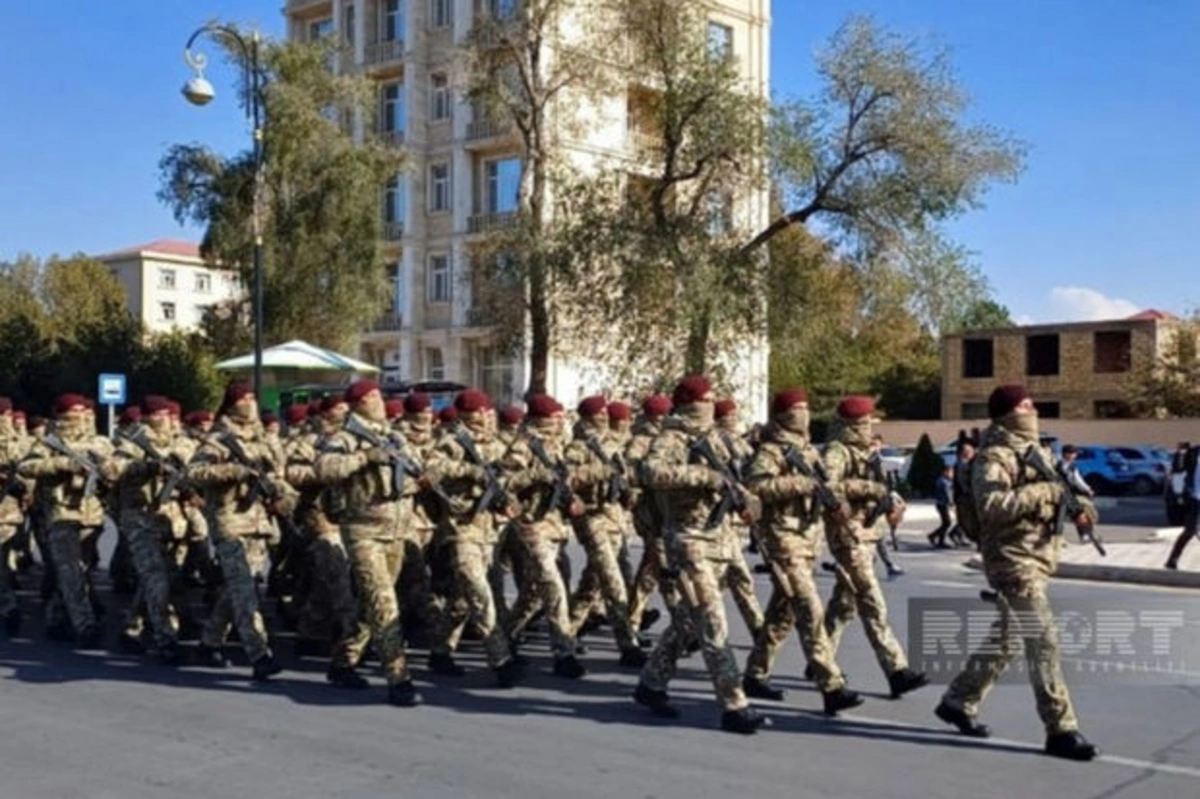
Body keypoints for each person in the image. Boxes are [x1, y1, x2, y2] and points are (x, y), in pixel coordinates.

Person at [935, 384, 1100, 761]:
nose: (1033, 408)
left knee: (1008, 637)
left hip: (1038, 556)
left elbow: (1069, 492)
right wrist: (1046, 493)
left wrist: (1083, 510)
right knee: (1043, 640)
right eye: (1025, 404)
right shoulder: (994, 456)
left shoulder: (1039, 452)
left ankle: (958, 700)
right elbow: (992, 505)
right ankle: (1061, 729)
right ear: (1008, 413)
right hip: (1010, 559)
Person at [632, 375, 766, 734]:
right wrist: (704, 477)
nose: (709, 405)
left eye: (712, 400)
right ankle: (734, 705)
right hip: (688, 540)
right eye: (703, 400)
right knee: (712, 623)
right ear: (689, 403)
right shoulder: (671, 437)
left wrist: (749, 501)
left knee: (688, 622)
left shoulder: (718, 438)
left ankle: (651, 683)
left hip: (720, 539)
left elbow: (745, 475)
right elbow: (651, 472)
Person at [740, 389, 863, 716]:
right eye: (798, 408)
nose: (805, 413)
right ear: (782, 414)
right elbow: (755, 487)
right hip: (783, 537)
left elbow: (826, 486)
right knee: (810, 609)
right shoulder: (771, 451)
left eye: (807, 407)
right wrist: (799, 484)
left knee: (784, 611)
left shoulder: (807, 450)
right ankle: (831, 685)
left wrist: (839, 505)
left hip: (808, 538)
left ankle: (755, 673)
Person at [315, 379, 423, 705]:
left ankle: (343, 661)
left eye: (379, 395)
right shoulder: (344, 438)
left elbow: (417, 467)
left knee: (371, 604)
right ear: (359, 403)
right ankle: (398, 677)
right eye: (372, 396)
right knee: (384, 602)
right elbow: (324, 469)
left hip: (397, 529)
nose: (379, 400)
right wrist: (365, 457)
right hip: (363, 531)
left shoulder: (394, 435)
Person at [821, 396, 927, 699]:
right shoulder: (837, 452)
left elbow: (882, 489)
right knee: (872, 603)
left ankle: (820, 657)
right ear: (855, 424)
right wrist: (868, 489)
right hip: (849, 535)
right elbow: (827, 487)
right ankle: (896, 670)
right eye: (866, 422)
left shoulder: (867, 454)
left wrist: (891, 502)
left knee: (844, 605)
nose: (871, 427)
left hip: (868, 534)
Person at [190, 382, 296, 681]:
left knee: (237, 587)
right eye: (243, 398)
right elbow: (193, 472)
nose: (249, 402)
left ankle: (209, 642)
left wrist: (284, 495)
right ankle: (259, 654)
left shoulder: (262, 437)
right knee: (244, 591)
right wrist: (232, 472)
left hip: (258, 520)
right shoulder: (219, 438)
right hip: (229, 521)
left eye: (252, 396)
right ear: (231, 403)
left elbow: (277, 474)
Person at [423, 389, 523, 687]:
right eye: (481, 411)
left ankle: (440, 650)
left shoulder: (494, 444)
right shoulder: (452, 442)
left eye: (488, 411)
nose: (487, 416)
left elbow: (506, 476)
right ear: (470, 413)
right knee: (479, 593)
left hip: (488, 529)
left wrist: (507, 492)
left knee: (463, 599)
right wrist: (470, 471)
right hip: (461, 529)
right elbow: (432, 469)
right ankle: (501, 660)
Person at [19, 393, 119, 647]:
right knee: (70, 571)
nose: (78, 417)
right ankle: (84, 626)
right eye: (72, 413)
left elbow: (116, 470)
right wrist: (64, 464)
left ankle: (56, 617)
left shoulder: (100, 443)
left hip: (92, 515)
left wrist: (107, 471)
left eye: (81, 412)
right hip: (61, 514)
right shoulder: (49, 443)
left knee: (82, 569)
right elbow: (26, 467)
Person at [563, 396, 646, 667]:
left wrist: (629, 489)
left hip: (612, 517)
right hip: (590, 517)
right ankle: (627, 643)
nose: (603, 417)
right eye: (598, 414)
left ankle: (567, 633)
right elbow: (569, 478)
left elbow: (623, 473)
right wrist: (603, 470)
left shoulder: (610, 442)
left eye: (604, 414)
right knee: (612, 580)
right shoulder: (578, 446)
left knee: (593, 582)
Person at [1165, 443, 1199, 570]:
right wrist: (1180, 453)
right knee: (1190, 530)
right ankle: (1172, 559)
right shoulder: (1193, 452)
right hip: (1195, 497)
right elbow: (1178, 468)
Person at [927, 462, 956, 549]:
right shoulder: (943, 482)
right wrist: (951, 503)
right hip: (942, 504)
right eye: (951, 472)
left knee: (946, 523)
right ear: (945, 472)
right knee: (947, 522)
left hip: (942, 504)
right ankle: (936, 538)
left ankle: (936, 537)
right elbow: (948, 494)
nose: (952, 475)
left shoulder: (946, 481)